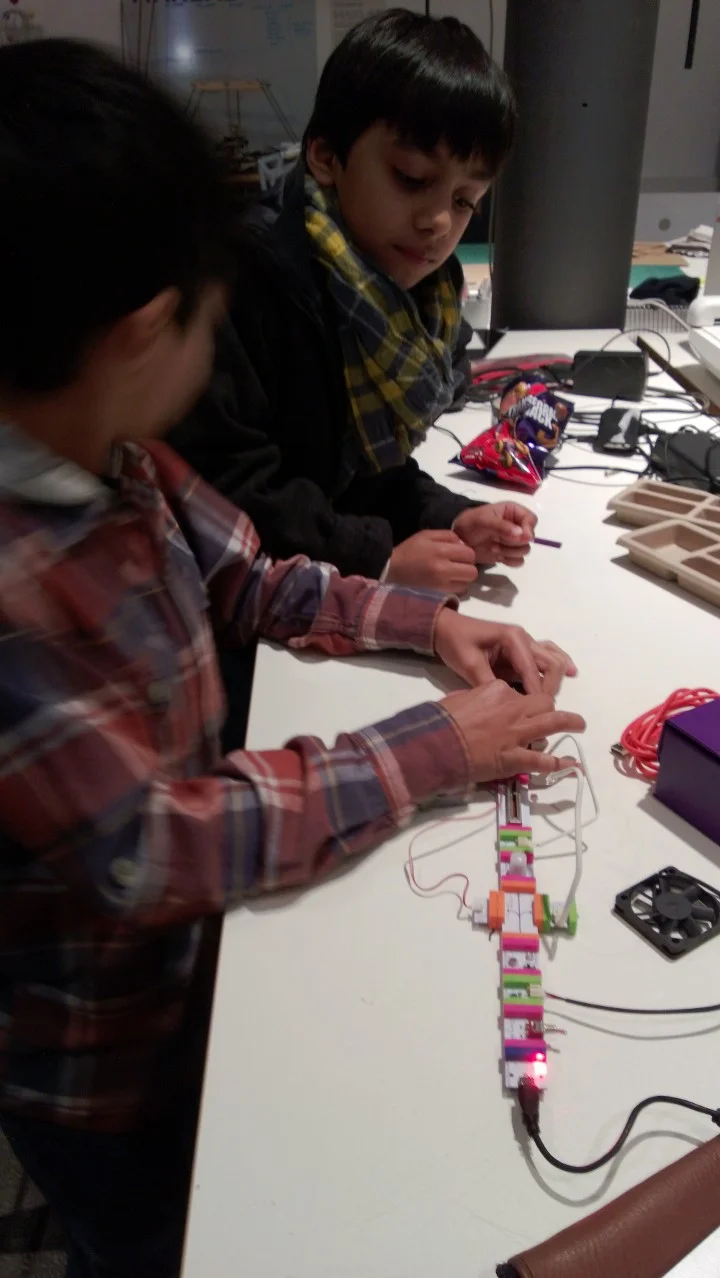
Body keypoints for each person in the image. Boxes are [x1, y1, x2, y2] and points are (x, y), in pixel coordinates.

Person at [0, 39, 584, 1278]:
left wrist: (427, 622)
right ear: (144, 332)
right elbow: (152, 849)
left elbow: (255, 575)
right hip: (105, 1061)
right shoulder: (18, 595)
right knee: (172, 1238)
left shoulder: (120, 453)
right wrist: (435, 745)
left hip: (196, 970)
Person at [171, 9, 535, 598]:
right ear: (325, 155)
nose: (439, 222)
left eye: (465, 200)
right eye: (412, 178)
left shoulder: (404, 296)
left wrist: (450, 517)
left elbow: (357, 474)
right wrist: (378, 558)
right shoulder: (246, 279)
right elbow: (231, 487)